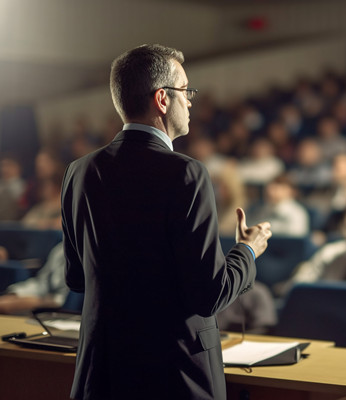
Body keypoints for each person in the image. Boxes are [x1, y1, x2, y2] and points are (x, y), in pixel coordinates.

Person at [60, 44, 272, 400]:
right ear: (162, 98)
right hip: (173, 375)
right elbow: (209, 294)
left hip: (103, 373)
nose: (190, 101)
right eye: (185, 91)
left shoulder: (79, 172)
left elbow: (76, 278)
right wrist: (248, 250)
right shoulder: (186, 173)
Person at [0, 242, 69, 314]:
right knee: (5, 301)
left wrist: (42, 301)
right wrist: (16, 293)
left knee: (6, 306)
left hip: (58, 303)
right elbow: (41, 282)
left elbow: (66, 296)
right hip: (44, 296)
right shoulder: (60, 248)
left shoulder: (79, 250)